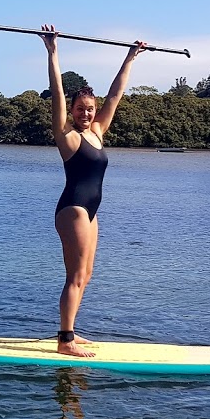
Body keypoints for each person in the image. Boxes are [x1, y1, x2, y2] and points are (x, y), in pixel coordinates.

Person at [41, 26, 146, 358]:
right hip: (72, 208)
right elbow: (57, 94)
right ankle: (64, 339)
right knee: (74, 275)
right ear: (72, 111)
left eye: (89, 109)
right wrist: (52, 51)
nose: (85, 114)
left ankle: (71, 330)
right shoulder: (67, 136)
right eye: (80, 109)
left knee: (86, 274)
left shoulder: (98, 131)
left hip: (92, 210)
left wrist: (129, 57)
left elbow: (116, 94)